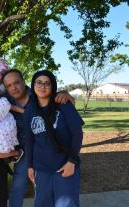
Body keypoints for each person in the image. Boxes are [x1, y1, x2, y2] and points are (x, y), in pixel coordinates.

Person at [1, 69, 74, 207]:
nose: (13, 87)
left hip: (45, 148)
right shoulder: (4, 101)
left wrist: (65, 94)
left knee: (46, 191)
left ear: (24, 82)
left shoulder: (38, 93)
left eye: (16, 82)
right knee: (18, 187)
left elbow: (57, 100)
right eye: (9, 85)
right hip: (23, 151)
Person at [24, 70, 84, 207]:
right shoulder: (29, 110)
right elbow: (29, 140)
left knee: (66, 204)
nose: (42, 86)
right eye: (39, 82)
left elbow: (77, 134)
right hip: (41, 168)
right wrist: (30, 166)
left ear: (53, 86)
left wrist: (71, 162)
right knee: (42, 203)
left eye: (47, 83)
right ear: (33, 84)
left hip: (64, 166)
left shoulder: (63, 104)